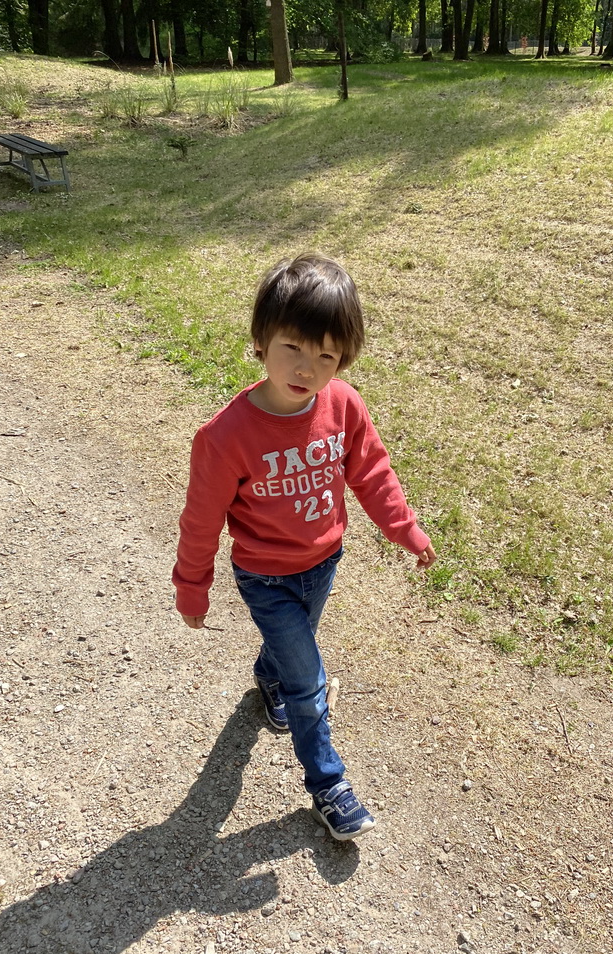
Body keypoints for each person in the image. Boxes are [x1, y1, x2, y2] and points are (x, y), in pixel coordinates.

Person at [172, 254, 436, 841]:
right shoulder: (224, 438)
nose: (308, 368)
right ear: (262, 340)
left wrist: (405, 528)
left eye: (327, 356)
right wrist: (193, 585)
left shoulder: (343, 405)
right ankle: (328, 785)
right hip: (264, 578)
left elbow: (372, 473)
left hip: (323, 563)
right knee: (310, 686)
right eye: (294, 346)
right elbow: (201, 521)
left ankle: (271, 678)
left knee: (293, 657)